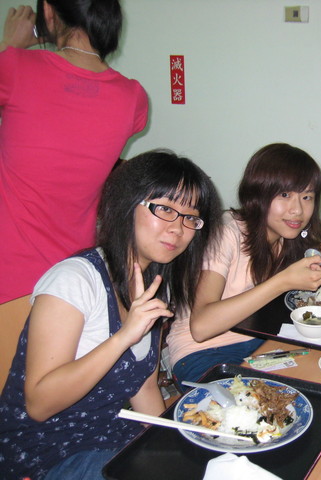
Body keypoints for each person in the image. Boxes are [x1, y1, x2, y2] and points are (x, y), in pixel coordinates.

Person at [0, 150, 222, 480]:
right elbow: (39, 405)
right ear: (127, 205)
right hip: (47, 453)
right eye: (165, 209)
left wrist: (175, 446)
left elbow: (144, 387)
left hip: (110, 437)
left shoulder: (155, 286)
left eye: (191, 218)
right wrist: (124, 336)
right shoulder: (75, 280)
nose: (178, 228)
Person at [167, 143, 321, 385]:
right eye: (284, 195)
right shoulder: (227, 233)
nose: (297, 210)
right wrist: (283, 282)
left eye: (307, 197)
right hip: (202, 353)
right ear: (258, 194)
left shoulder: (293, 236)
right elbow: (201, 327)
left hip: (263, 342)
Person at [0, 1, 148, 307]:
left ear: (48, 10)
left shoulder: (14, 67)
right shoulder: (133, 97)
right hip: (75, 278)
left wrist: (9, 45)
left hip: (9, 274)